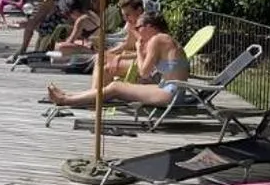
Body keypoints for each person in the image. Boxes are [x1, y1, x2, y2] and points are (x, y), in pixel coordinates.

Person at [46, 9, 183, 111]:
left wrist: (138, 48)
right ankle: (68, 95)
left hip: (170, 93)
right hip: (172, 89)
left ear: (150, 27)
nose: (137, 31)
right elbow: (145, 64)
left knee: (115, 87)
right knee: (114, 87)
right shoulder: (165, 39)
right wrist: (130, 53)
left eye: (138, 27)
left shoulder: (157, 40)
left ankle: (65, 100)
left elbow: (144, 73)